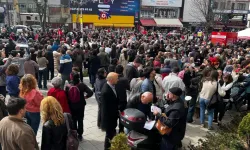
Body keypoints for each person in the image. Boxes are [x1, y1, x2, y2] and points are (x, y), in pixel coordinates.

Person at [65, 72, 93, 141]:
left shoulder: (68, 86)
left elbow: (66, 96)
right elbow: (91, 92)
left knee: (73, 120)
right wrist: (86, 97)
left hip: (71, 105)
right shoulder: (82, 85)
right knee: (80, 120)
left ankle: (74, 133)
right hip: (80, 105)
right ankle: (80, 135)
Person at [101, 72, 119, 150]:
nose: (117, 80)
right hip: (109, 119)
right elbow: (106, 108)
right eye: (116, 79)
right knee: (109, 135)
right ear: (111, 80)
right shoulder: (106, 91)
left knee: (111, 134)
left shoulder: (111, 86)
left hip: (112, 117)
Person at [115, 65, 130, 133]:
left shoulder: (113, 78)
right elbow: (128, 88)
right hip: (122, 100)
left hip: (115, 100)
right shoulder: (124, 79)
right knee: (122, 115)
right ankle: (121, 130)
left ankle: (114, 129)